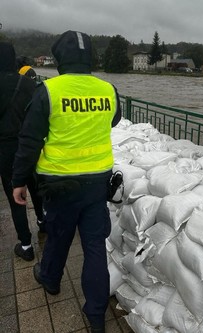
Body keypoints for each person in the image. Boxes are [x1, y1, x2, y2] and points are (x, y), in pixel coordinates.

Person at [12, 30, 122, 333]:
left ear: (59, 58)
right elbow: (113, 120)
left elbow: (30, 139)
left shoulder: (48, 90)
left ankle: (50, 279)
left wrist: (19, 180)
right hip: (98, 182)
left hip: (60, 183)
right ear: (91, 58)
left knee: (59, 235)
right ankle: (97, 315)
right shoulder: (108, 90)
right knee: (94, 245)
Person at [0, 41, 44, 262]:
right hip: (29, 144)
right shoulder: (27, 84)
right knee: (35, 184)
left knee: (14, 193)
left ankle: (26, 244)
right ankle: (43, 220)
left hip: (5, 149)